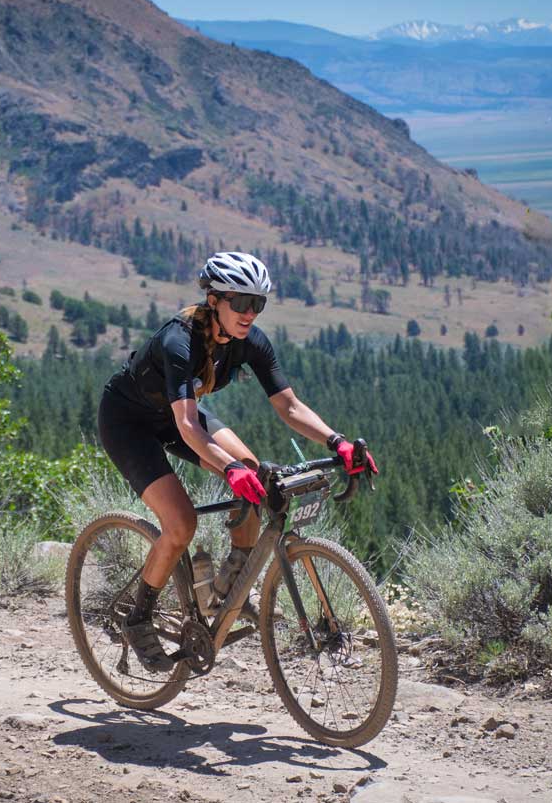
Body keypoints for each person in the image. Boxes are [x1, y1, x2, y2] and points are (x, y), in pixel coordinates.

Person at [97, 251, 378, 672]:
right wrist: (229, 468)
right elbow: (189, 426)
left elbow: (290, 406)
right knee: (181, 523)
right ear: (214, 300)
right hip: (129, 421)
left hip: (180, 414)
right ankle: (139, 619)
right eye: (241, 303)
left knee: (258, 476)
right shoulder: (179, 342)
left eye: (258, 304)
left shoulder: (250, 341)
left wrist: (336, 441)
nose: (250, 313)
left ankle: (231, 579)